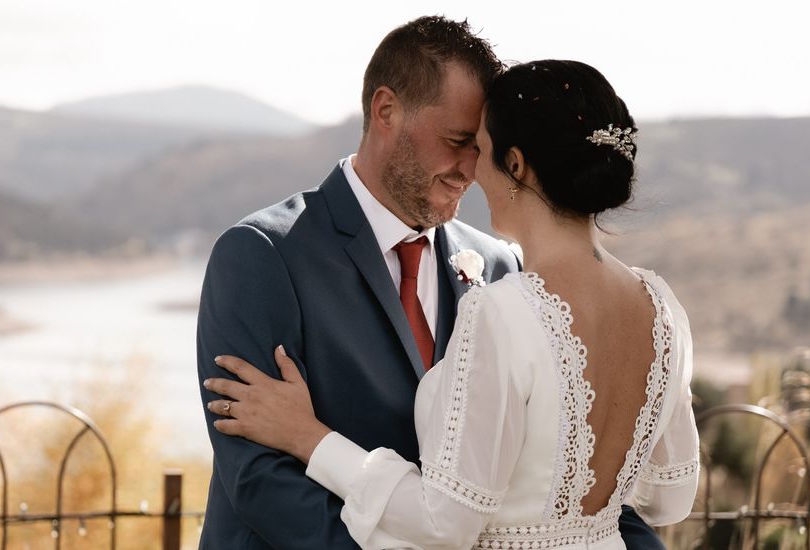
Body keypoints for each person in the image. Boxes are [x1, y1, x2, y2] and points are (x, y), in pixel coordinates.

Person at [204, 59, 699, 549]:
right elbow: (666, 497)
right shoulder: (662, 308)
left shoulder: (502, 277)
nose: (469, 168)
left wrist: (309, 437)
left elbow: (447, 520)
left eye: (479, 147)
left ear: (516, 164)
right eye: (460, 141)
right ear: (386, 111)